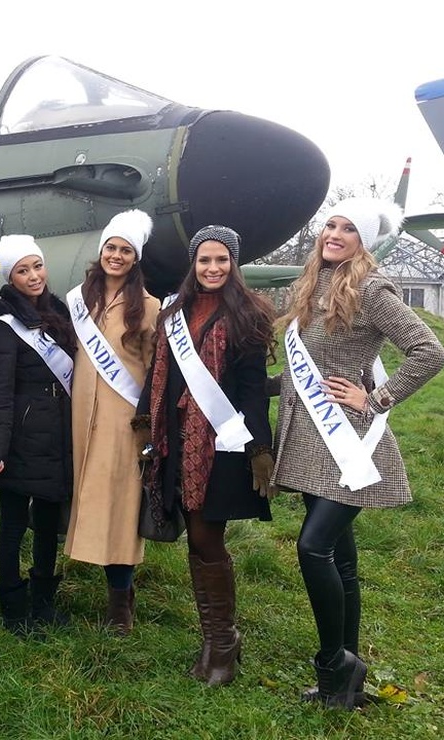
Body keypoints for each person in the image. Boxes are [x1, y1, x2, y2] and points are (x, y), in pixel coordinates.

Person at [271, 197, 444, 708]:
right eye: (330, 224)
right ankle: (347, 677)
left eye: (348, 228)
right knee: (340, 558)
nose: (334, 234)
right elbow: (305, 371)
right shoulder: (311, 284)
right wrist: (252, 387)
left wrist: (376, 398)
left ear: (363, 241)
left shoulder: (371, 289)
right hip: (309, 441)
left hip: (348, 443)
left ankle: (333, 665)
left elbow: (429, 351)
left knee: (313, 548)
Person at [135, 225, 277, 685]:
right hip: (177, 438)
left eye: (221, 260)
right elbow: (158, 374)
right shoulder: (174, 312)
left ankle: (222, 642)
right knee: (195, 540)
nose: (212, 268)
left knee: (206, 536)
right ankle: (217, 640)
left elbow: (253, 388)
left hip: (221, 441)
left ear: (233, 264)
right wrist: (144, 423)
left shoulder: (248, 313)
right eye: (204, 260)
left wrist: (259, 446)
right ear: (193, 264)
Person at [63, 209, 160, 635]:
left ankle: (121, 600)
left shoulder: (149, 307)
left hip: (124, 420)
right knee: (83, 496)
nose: (116, 256)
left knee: (121, 505)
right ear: (101, 250)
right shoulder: (80, 299)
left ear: (135, 258)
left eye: (125, 250)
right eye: (111, 247)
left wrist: (148, 424)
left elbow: (156, 370)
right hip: (80, 416)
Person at [0, 235, 76, 634]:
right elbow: (0, 389)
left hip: (58, 434)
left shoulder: (59, 312)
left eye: (37, 266)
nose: (34, 276)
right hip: (21, 438)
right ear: (11, 277)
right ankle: (13, 604)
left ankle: (43, 601)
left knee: (49, 521)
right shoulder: (4, 322)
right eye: (23, 271)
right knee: (13, 523)